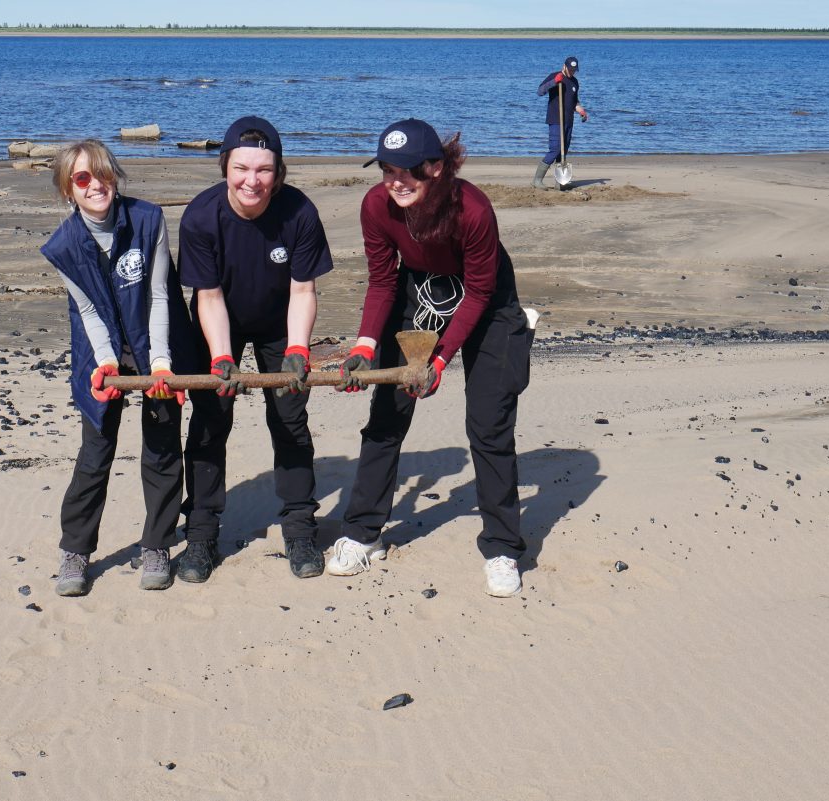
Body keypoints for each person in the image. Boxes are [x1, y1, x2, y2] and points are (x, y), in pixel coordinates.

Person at [330, 118, 536, 597]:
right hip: (419, 293)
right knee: (387, 414)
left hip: (489, 300)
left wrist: (440, 360)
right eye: (386, 169)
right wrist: (364, 345)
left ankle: (503, 547)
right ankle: (364, 533)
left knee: (489, 424)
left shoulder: (473, 210)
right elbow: (383, 281)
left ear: (436, 168)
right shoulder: (376, 206)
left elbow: (480, 290)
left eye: (407, 170)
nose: (395, 180)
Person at [177, 115, 333, 582]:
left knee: (289, 419)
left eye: (264, 170)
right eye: (242, 168)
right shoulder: (201, 217)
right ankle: (201, 535)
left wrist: (300, 351)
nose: (252, 180)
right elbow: (208, 298)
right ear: (225, 166)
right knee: (210, 422)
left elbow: (303, 292)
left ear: (278, 173)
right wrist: (222, 358)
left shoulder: (299, 212)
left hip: (279, 322)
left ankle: (301, 529)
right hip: (217, 319)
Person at [40, 139, 196, 595]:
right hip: (101, 352)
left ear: (114, 175)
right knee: (95, 453)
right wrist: (108, 362)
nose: (95, 185)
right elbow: (88, 312)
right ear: (69, 190)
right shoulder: (63, 245)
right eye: (82, 178)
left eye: (102, 173)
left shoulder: (148, 220)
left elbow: (161, 294)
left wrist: (162, 363)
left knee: (164, 447)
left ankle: (157, 544)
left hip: (157, 345)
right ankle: (75, 551)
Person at [532, 55, 588, 189]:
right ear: (564, 66)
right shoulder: (555, 76)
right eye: (570, 69)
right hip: (555, 119)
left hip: (569, 121)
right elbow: (540, 91)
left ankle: (559, 182)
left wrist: (581, 111)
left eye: (574, 70)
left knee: (564, 151)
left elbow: (574, 101)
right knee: (555, 149)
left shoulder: (575, 82)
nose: (572, 72)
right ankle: (537, 180)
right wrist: (554, 82)